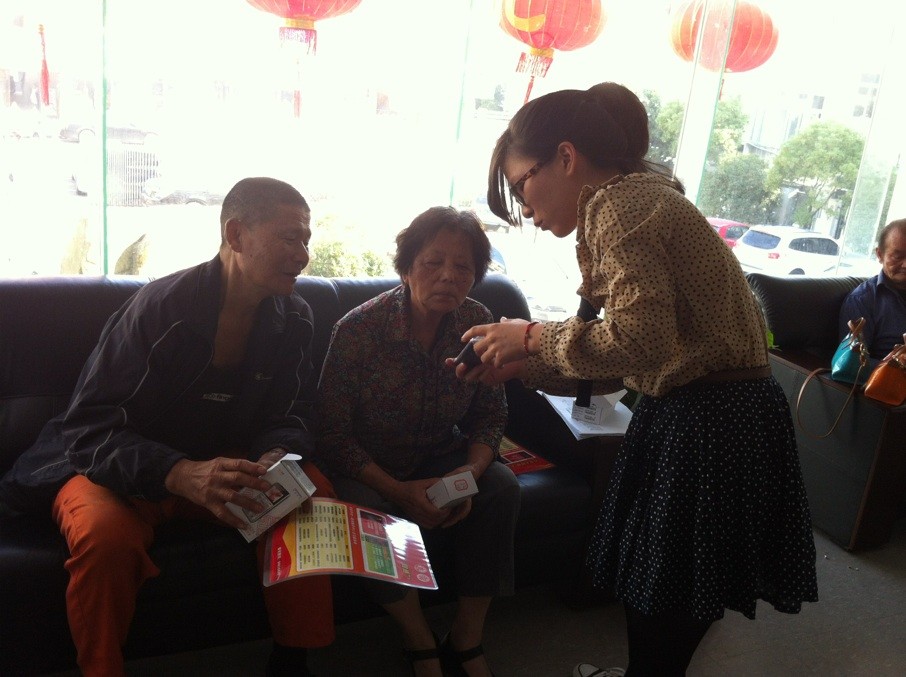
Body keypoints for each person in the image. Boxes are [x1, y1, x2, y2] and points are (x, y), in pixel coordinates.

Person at [453, 83, 819, 677]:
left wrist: (531, 336)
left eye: (522, 185)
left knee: (664, 589)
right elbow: (628, 351)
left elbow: (639, 340)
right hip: (716, 409)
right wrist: (524, 365)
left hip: (708, 418)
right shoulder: (641, 198)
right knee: (668, 583)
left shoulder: (620, 206)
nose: (526, 209)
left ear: (566, 157)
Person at [0, 177, 334, 677]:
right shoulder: (162, 308)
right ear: (236, 234)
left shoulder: (295, 318)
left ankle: (292, 659)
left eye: (307, 240)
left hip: (218, 468)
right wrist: (178, 472)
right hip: (113, 470)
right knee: (106, 539)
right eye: (290, 238)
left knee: (308, 493)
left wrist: (277, 454)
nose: (303, 255)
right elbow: (88, 427)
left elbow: (289, 412)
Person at [316, 206, 519, 677]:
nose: (448, 276)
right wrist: (400, 492)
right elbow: (331, 434)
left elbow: (491, 415)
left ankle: (466, 636)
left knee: (502, 487)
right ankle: (418, 638)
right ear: (406, 268)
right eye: (433, 262)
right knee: (364, 508)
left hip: (439, 454)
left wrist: (469, 473)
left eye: (463, 266)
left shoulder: (477, 321)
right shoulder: (358, 330)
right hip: (369, 465)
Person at [839, 218, 906, 360]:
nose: (905, 264)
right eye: (897, 257)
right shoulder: (862, 300)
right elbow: (853, 363)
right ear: (880, 255)